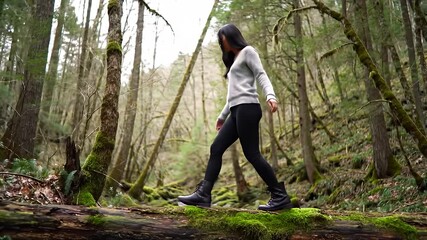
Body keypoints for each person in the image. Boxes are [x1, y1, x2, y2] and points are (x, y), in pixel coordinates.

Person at [177, 23, 293, 211]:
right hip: (237, 110)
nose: (222, 43)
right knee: (216, 148)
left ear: (231, 37)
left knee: (252, 154)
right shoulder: (233, 62)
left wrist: (271, 95)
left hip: (248, 108)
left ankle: (280, 196)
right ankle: (204, 195)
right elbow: (233, 95)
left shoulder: (248, 52)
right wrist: (222, 117)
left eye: (223, 39)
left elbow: (261, 75)